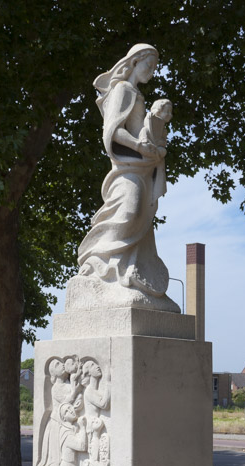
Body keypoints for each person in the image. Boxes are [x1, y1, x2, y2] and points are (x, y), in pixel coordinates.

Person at [74, 44, 178, 312]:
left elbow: (146, 131)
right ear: (134, 61)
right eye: (149, 66)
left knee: (141, 220)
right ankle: (96, 260)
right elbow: (113, 133)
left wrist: (154, 146)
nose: (152, 72)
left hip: (144, 166)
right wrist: (141, 148)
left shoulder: (139, 94)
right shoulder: (122, 90)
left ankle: (128, 272)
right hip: (127, 167)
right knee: (127, 212)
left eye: (155, 68)